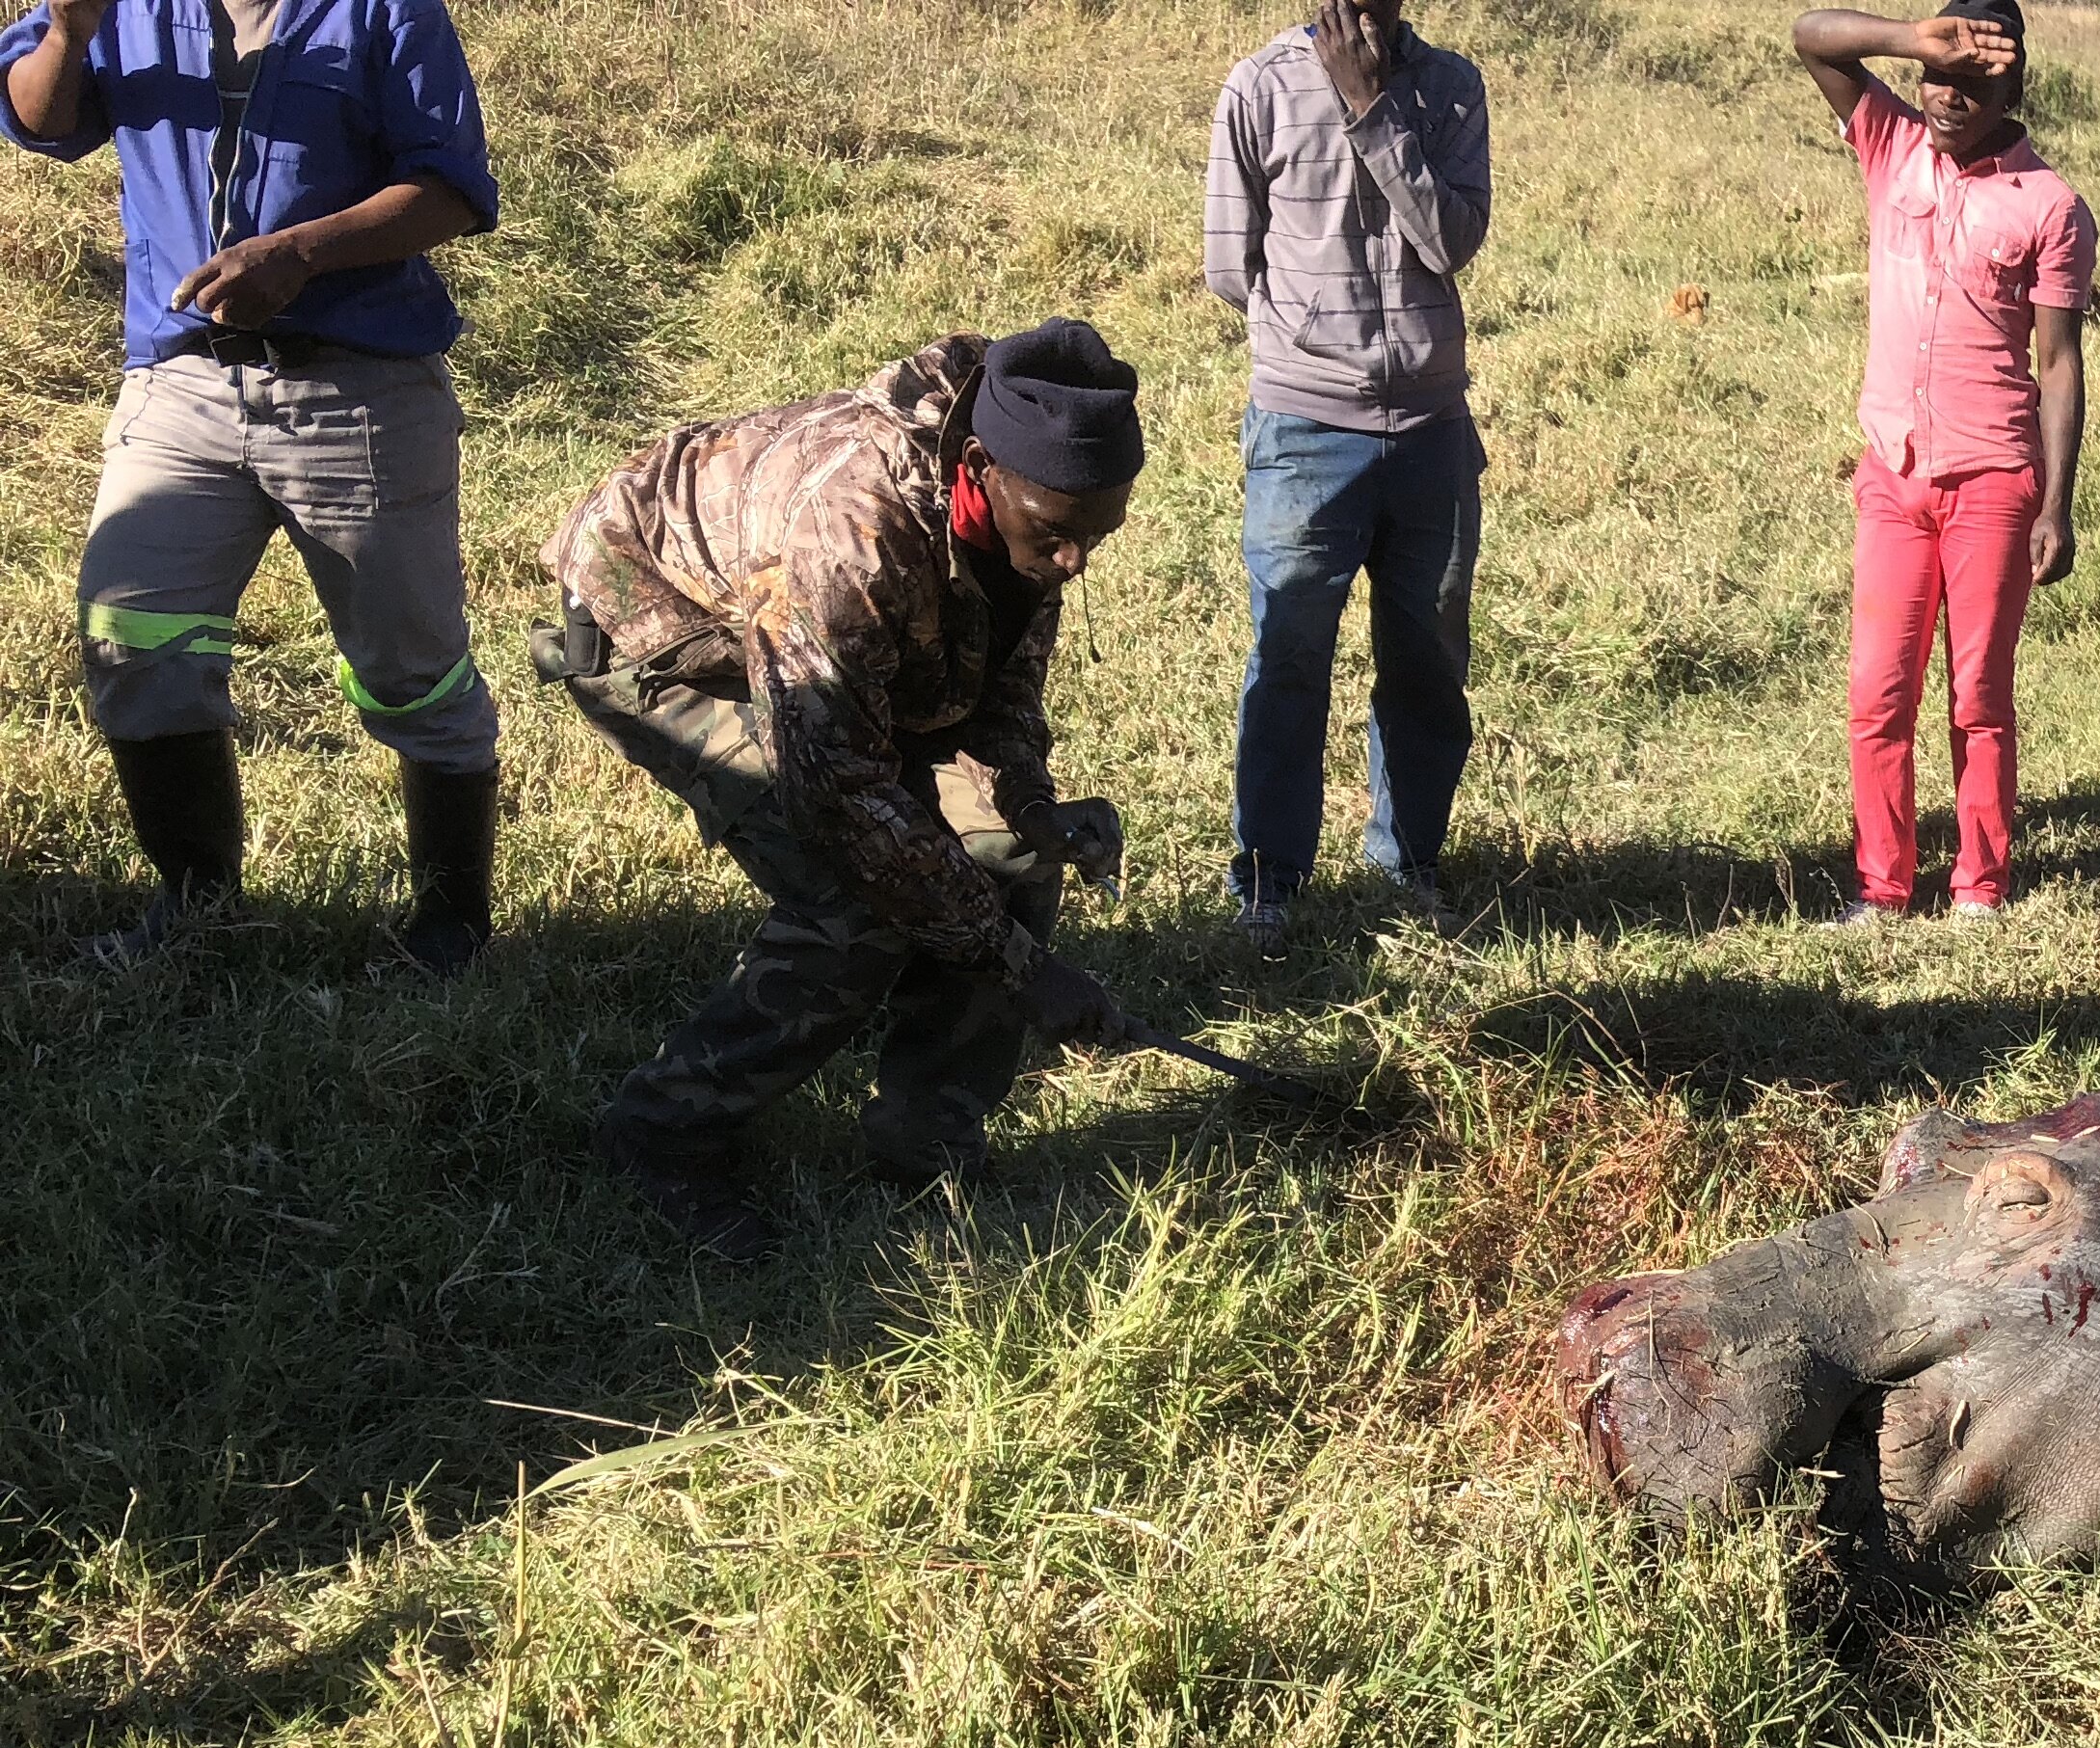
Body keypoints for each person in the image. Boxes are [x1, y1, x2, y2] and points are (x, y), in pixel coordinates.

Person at [541, 320, 1146, 1260]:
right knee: (857, 904)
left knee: (1008, 854)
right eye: (1059, 536)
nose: (1073, 562)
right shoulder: (856, 530)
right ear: (981, 468)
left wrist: (1029, 804)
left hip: (806, 641)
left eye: (1095, 535)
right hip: (657, 630)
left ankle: (928, 1125)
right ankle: (663, 1131)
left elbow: (999, 702)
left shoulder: (1029, 505)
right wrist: (1025, 968)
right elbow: (845, 799)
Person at [4, 0, 504, 969]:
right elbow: (38, 119)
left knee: (412, 673)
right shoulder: (128, 7)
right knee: (132, 632)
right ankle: (197, 905)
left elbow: (451, 190)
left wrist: (300, 253)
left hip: (356, 391)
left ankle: (452, 927)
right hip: (180, 387)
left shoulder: (384, 12)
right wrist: (67, 33)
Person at [1791, 1, 2089, 926]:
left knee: (1977, 697)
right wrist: (1915, 38)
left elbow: (2058, 364)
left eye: (1973, 82)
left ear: (2015, 89)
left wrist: (2057, 504)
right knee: (1878, 694)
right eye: (1939, 78)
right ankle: (1882, 887)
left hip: (1994, 481)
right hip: (1892, 474)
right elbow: (1810, 35)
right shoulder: (1892, 146)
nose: (1948, 98)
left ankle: (1980, 886)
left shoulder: (2051, 206)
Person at [1205, 0, 1492, 945]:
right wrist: (1313, 350)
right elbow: (1229, 266)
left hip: (1430, 429)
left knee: (1427, 661)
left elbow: (1450, 241)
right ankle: (1268, 880)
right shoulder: (1258, 87)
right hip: (1302, 430)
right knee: (1287, 655)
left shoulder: (1450, 89)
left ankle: (1407, 866)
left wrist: (1373, 112)